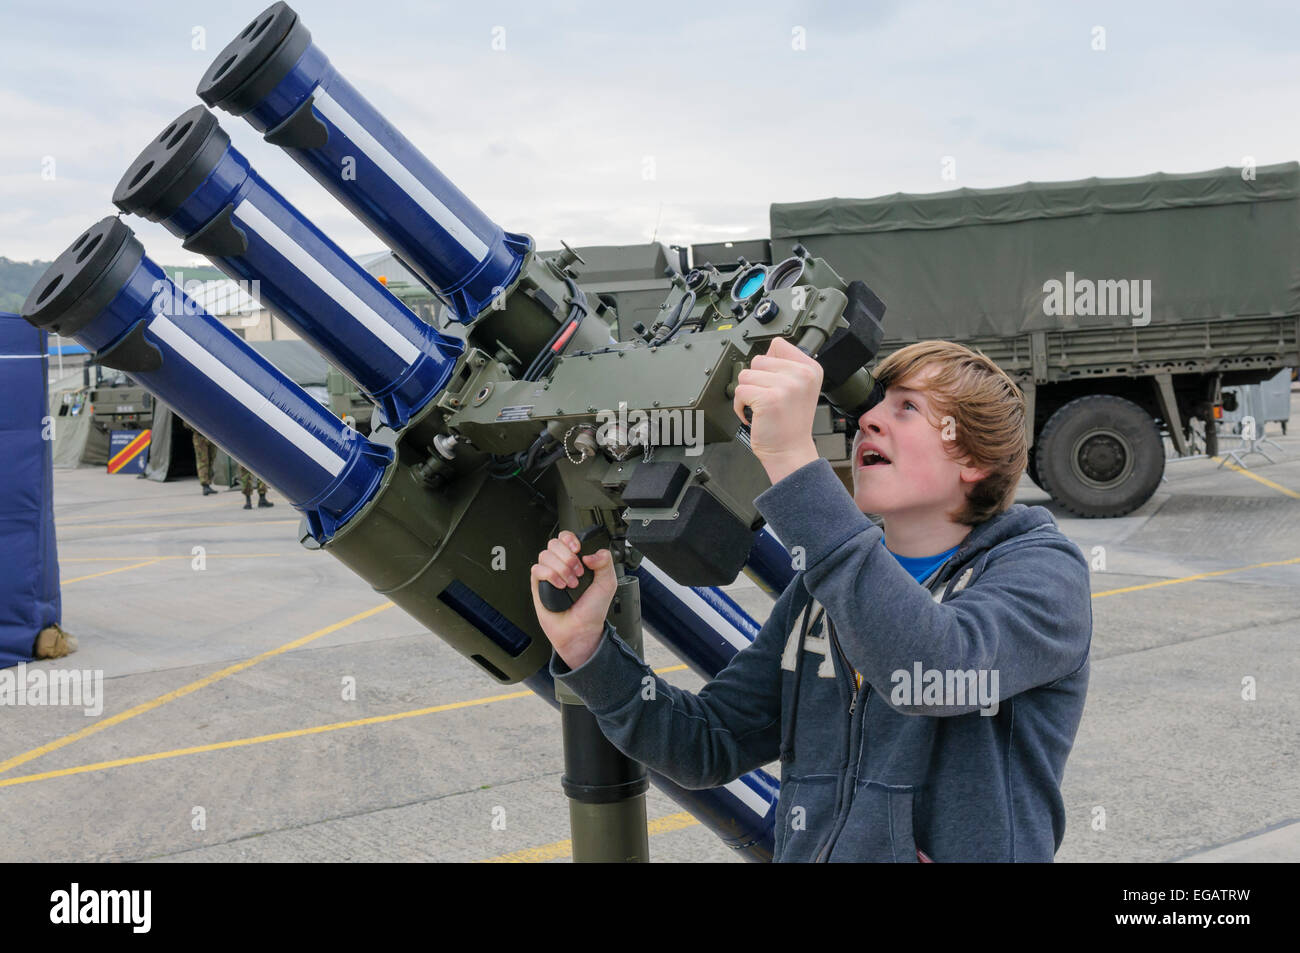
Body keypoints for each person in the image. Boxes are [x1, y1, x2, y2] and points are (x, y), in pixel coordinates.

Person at [530, 339, 1092, 862]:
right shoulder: (820, 587)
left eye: (908, 409)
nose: (867, 420)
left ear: (974, 460)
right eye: (876, 407)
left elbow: (928, 668)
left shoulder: (1040, 572)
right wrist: (587, 651)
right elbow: (707, 743)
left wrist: (793, 460)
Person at [189, 424, 217, 496]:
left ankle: (208, 483)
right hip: (199, 436)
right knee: (203, 461)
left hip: (211, 435)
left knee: (211, 460)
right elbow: (186, 423)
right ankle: (205, 485)